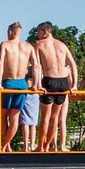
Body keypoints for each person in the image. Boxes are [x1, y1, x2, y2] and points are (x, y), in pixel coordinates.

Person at [33, 22, 78, 152]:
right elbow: (73, 65)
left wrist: (37, 84)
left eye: (38, 31)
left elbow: (36, 66)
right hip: (63, 83)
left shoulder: (39, 44)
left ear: (45, 31)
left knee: (46, 117)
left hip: (49, 80)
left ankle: (41, 146)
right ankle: (48, 146)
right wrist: (74, 85)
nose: (37, 34)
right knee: (55, 117)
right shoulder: (62, 45)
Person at [0, 22, 37, 153]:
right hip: (22, 84)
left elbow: (0, 62)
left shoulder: (5, 44)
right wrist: (35, 84)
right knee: (15, 117)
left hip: (8, 82)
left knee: (3, 115)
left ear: (11, 32)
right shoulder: (28, 47)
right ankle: (6, 145)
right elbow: (36, 65)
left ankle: (4, 145)